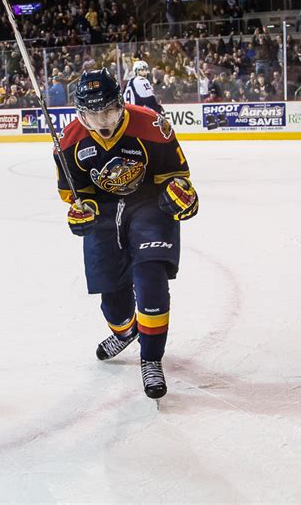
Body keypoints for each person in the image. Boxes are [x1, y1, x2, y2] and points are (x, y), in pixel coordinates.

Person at [53, 68, 199, 401]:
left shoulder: (151, 125)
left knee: (151, 278)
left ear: (120, 103)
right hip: (105, 213)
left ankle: (151, 358)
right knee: (113, 299)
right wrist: (81, 210)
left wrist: (183, 194)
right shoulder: (69, 141)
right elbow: (76, 192)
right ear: (80, 112)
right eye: (93, 113)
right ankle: (126, 329)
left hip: (148, 205)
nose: (102, 120)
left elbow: (176, 175)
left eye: (108, 110)